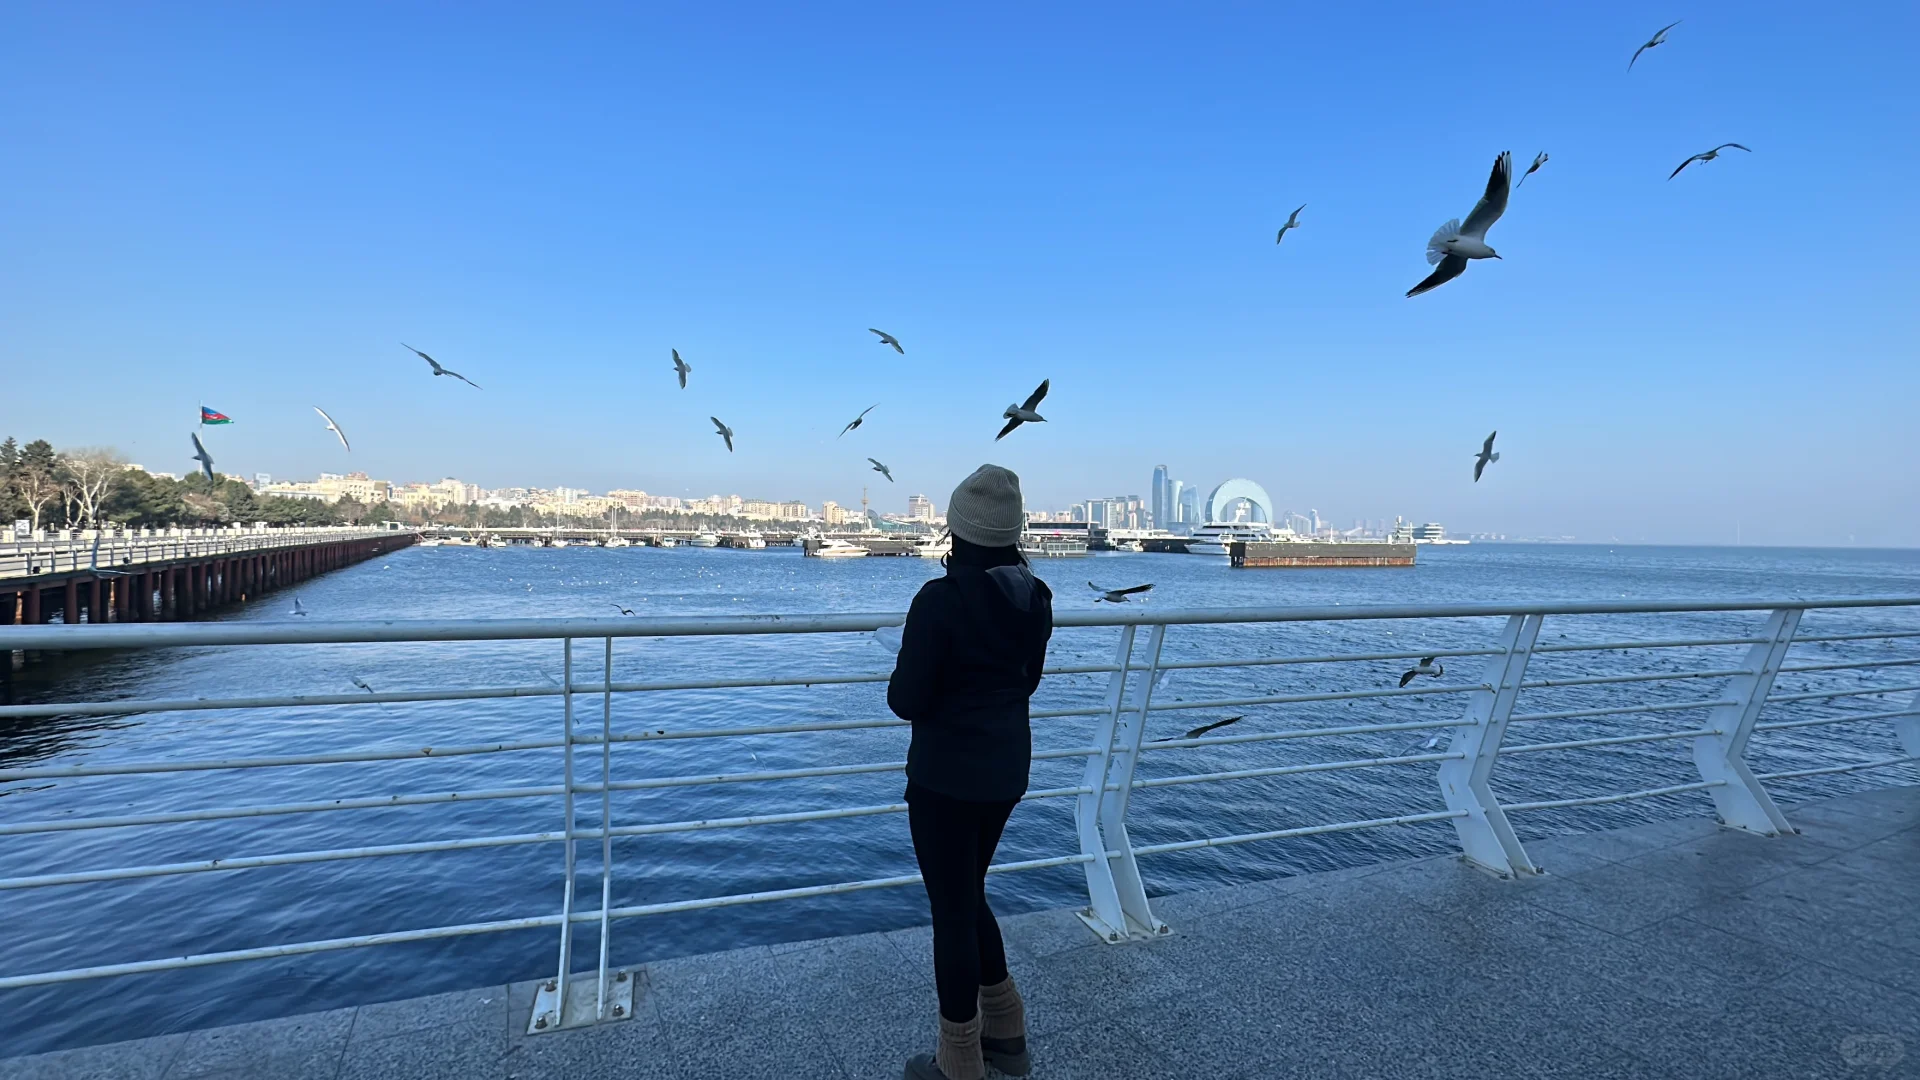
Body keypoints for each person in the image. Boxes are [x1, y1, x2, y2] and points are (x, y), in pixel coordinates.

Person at [888, 464, 1053, 1080]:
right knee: (967, 893)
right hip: (1006, 770)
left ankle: (959, 1059)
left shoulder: (938, 600)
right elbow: (1025, 682)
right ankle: (1006, 1030)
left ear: (956, 533)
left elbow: (906, 699)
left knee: (951, 911)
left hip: (944, 778)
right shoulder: (1035, 599)